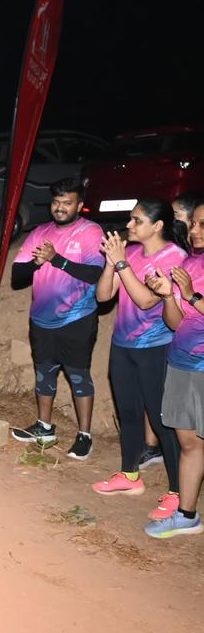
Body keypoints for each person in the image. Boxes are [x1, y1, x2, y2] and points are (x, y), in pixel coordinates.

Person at [92, 200, 188, 518]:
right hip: (123, 345)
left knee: (163, 422)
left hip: (156, 347)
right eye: (131, 220)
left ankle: (177, 491)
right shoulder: (129, 254)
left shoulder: (174, 256)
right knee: (129, 413)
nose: (129, 225)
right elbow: (103, 296)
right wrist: (112, 262)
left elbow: (147, 300)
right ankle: (129, 475)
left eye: (137, 221)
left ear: (158, 226)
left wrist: (122, 265)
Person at [10, 179, 105, 459]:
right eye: (56, 202)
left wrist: (56, 259)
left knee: (78, 375)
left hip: (77, 317)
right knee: (44, 373)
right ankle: (44, 426)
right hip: (41, 318)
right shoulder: (40, 232)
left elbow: (94, 275)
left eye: (66, 203)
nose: (60, 208)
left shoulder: (90, 232)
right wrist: (35, 263)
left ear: (79, 205)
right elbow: (18, 275)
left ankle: (84, 434)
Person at [145, 202, 204, 537]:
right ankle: (187, 514)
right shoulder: (190, 263)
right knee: (189, 442)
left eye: (201, 225)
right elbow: (177, 323)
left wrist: (189, 295)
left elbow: (194, 302)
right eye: (193, 224)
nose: (194, 231)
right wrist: (169, 296)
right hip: (181, 362)